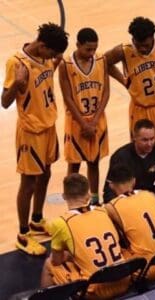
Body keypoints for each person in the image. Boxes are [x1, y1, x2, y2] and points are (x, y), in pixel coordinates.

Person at [1, 23, 68, 255]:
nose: (54, 57)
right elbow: (5, 102)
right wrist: (17, 85)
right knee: (28, 183)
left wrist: (57, 56)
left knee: (46, 174)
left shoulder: (47, 58)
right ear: (42, 45)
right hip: (31, 132)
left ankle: (37, 219)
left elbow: (51, 65)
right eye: (52, 52)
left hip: (49, 127)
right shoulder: (16, 63)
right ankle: (22, 233)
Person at [41, 173, 129, 299]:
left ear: (64, 197)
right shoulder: (103, 211)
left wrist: (69, 256)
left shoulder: (60, 223)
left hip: (96, 292)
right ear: (88, 195)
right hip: (124, 281)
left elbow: (57, 260)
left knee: (49, 264)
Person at [105, 16, 155, 164]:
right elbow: (105, 62)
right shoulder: (123, 51)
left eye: (145, 45)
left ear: (153, 37)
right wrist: (124, 81)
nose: (142, 49)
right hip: (140, 109)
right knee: (140, 152)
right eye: (138, 45)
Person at [59, 27, 109, 205]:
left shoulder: (101, 59)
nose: (91, 53)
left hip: (97, 119)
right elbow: (67, 97)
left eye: (94, 48)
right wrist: (83, 123)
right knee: (74, 164)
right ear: (78, 45)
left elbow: (106, 92)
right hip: (76, 121)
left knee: (94, 162)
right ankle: (72, 201)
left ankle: (94, 200)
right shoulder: (66, 64)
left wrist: (94, 121)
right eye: (88, 49)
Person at [105, 164, 155, 280]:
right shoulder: (150, 195)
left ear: (111, 185)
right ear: (133, 181)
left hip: (145, 270)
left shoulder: (110, 207)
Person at [103, 119, 155, 203]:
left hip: (148, 193)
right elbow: (109, 191)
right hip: (127, 198)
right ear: (134, 138)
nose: (149, 144)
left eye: (152, 139)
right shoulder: (120, 157)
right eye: (145, 140)